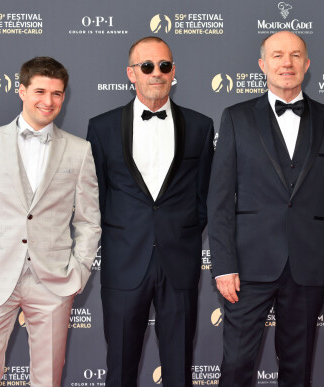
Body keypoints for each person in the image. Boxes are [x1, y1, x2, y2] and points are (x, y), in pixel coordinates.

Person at [208, 31, 324, 386]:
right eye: (277, 55)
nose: (286, 63)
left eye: (294, 55)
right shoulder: (236, 117)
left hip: (308, 267)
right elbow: (220, 199)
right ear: (263, 65)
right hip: (247, 268)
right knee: (237, 364)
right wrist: (224, 264)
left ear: (307, 64)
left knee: (297, 368)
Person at [0, 56, 101, 387]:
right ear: (21, 90)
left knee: (48, 379)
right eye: (40, 91)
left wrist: (78, 272)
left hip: (53, 281)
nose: (48, 101)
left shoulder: (79, 151)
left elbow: (90, 221)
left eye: (57, 94)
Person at [86, 36, 214, 386]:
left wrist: (182, 233)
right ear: (131, 73)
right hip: (124, 266)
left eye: (164, 66)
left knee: (179, 370)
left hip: (179, 264)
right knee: (121, 369)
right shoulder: (102, 127)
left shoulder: (201, 127)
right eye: (147, 66)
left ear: (174, 71)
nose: (156, 73)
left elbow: (205, 197)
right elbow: (95, 196)